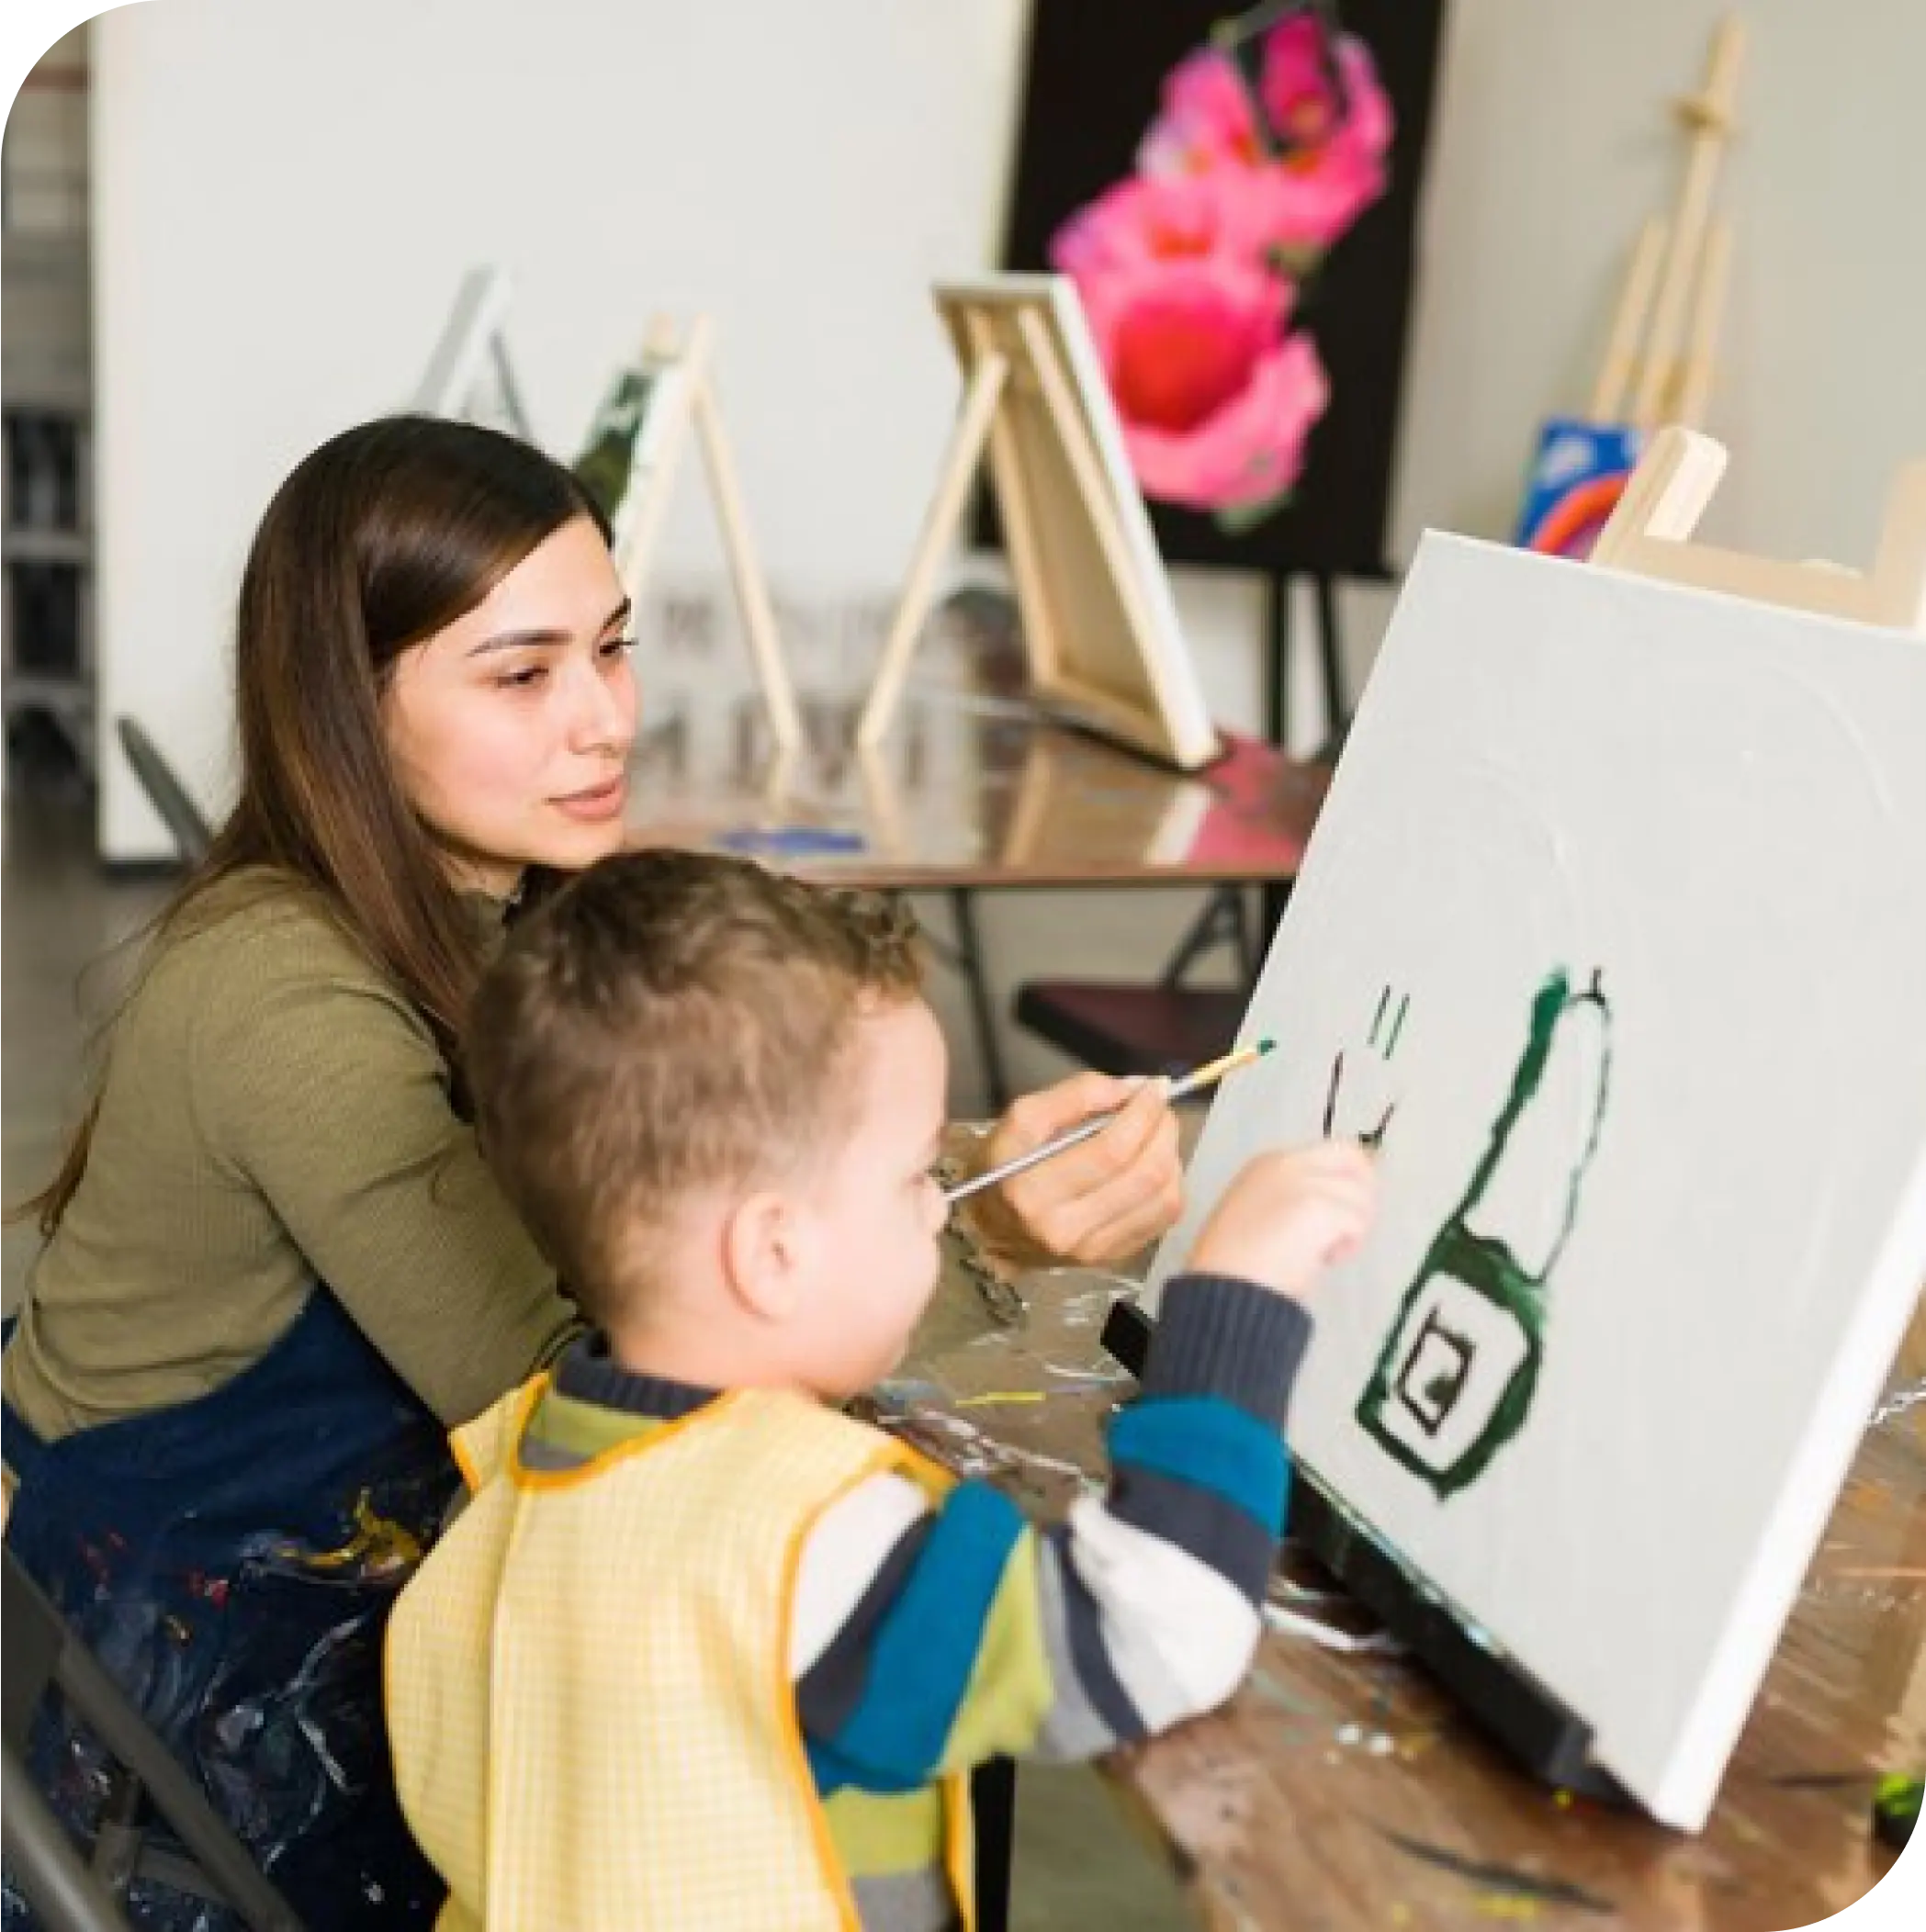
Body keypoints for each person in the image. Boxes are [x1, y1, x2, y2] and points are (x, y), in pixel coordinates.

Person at [0, 415, 1186, 1930]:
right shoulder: (281, 991)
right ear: (346, 710)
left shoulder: (489, 897)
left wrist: (929, 1162)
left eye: (611, 648)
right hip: (185, 1667)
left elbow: (655, 1184)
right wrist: (984, 1235)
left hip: (336, 1569)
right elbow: (625, 1409)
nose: (604, 720)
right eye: (522, 671)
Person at [385, 848, 1375, 1932]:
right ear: (773, 1252)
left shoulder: (508, 1480)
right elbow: (1155, 1637)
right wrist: (1234, 1297)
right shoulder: (820, 1541)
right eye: (914, 1176)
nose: (944, 1211)